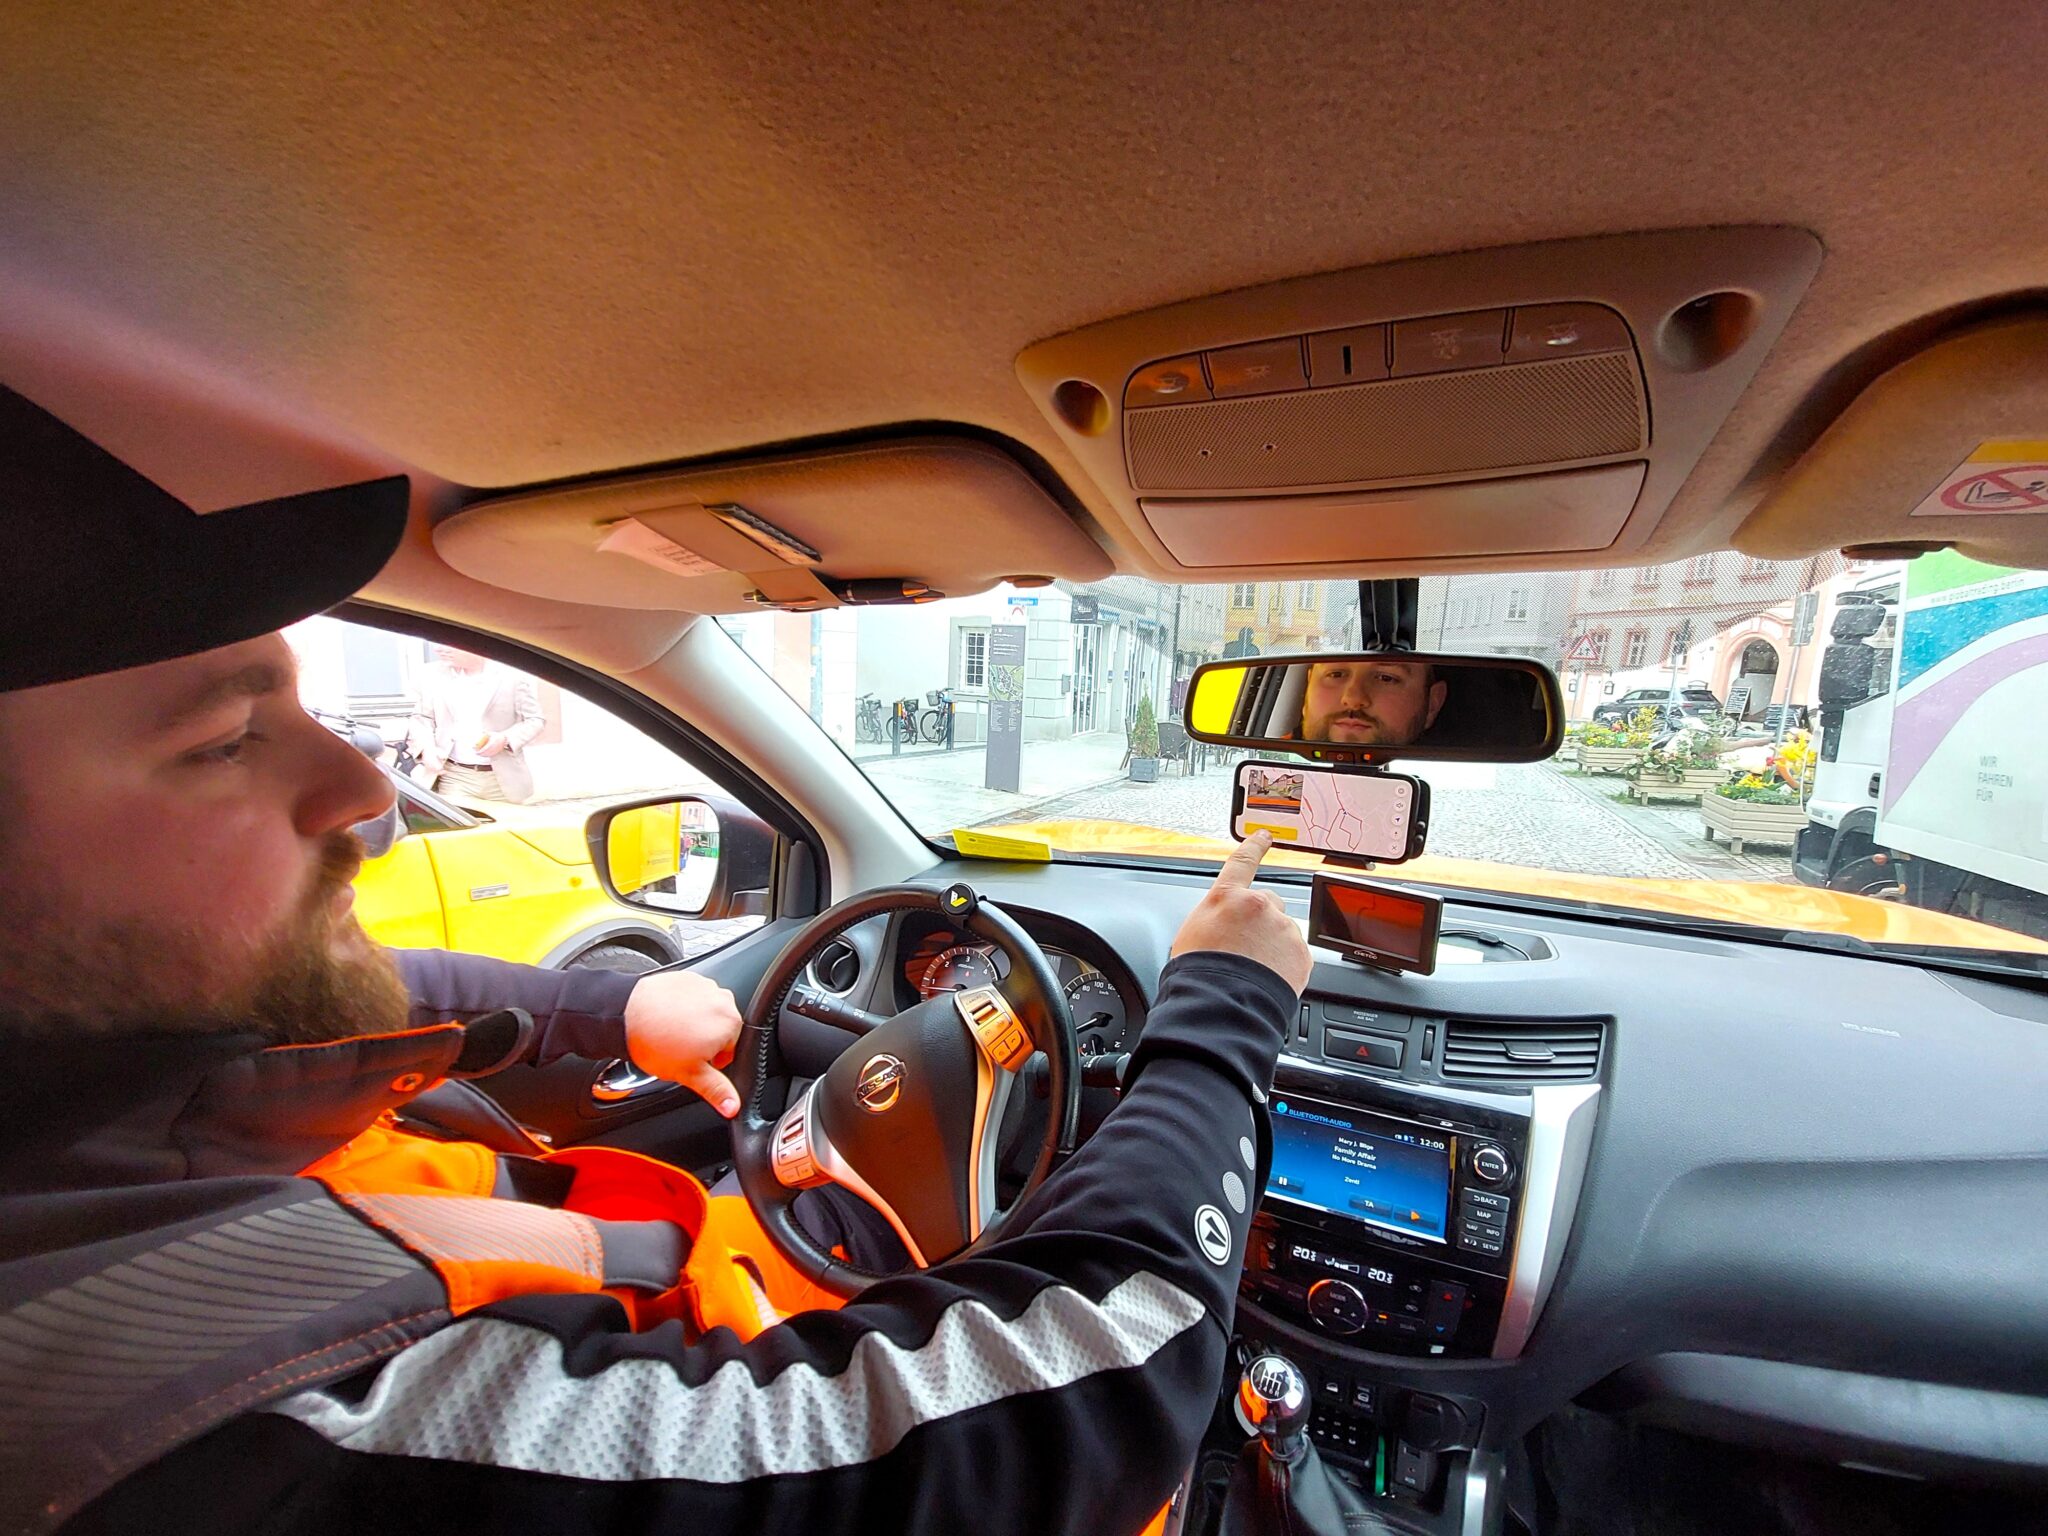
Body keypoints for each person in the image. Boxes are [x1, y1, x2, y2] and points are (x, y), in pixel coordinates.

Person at [0, 382, 1312, 1536]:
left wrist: (617, 1009)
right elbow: (1096, 1373)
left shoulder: (117, 1094)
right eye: (224, 739)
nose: (362, 786)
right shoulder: (212, 1415)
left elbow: (368, 993)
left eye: (306, 707)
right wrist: (1221, 1016)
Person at [405, 644, 545, 803]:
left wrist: (505, 739)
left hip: (501, 779)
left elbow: (535, 720)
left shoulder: (511, 676)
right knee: (460, 826)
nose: (439, 649)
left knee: (507, 826)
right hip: (455, 775)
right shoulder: (431, 674)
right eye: (437, 642)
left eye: (448, 643)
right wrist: (427, 750)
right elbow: (421, 718)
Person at [1299, 657, 1447, 746]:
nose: (1353, 699)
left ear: (1432, 705)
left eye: (1386, 678)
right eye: (1335, 674)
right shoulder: (1276, 767)